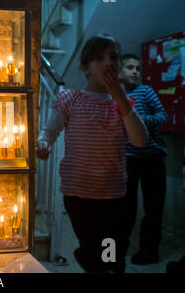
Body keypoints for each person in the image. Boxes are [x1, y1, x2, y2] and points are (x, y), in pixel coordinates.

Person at [37, 34, 148, 273]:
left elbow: (140, 141)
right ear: (86, 68)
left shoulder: (123, 103)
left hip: (115, 193)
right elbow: (49, 131)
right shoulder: (71, 98)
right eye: (99, 58)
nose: (108, 63)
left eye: (114, 57)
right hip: (79, 194)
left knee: (115, 251)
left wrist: (120, 97)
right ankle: (88, 257)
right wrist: (43, 143)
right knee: (94, 250)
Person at [119, 53, 168, 265]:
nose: (135, 72)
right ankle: (119, 248)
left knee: (153, 206)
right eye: (130, 67)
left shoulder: (146, 91)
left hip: (152, 157)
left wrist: (139, 119)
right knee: (126, 207)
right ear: (119, 72)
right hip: (128, 159)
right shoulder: (116, 95)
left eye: (138, 69)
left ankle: (150, 250)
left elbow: (162, 116)